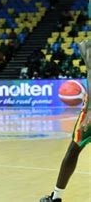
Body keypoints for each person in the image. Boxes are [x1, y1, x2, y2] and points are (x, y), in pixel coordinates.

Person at [40, 40, 90, 202]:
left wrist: (90, 111)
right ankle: (56, 196)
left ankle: (56, 197)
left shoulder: (87, 45)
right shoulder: (86, 45)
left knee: (74, 149)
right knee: (73, 149)